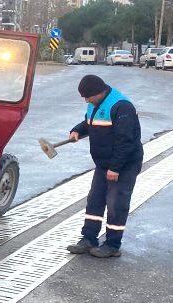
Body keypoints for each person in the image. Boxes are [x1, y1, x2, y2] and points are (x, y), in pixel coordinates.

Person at [66, 74, 144, 258]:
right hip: (103, 163)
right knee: (95, 200)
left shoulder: (121, 106)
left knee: (116, 204)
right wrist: (77, 129)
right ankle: (88, 239)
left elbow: (126, 141)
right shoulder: (94, 103)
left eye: (87, 96)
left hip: (124, 164)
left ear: (98, 92)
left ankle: (112, 245)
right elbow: (89, 123)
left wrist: (115, 168)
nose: (86, 100)